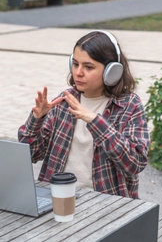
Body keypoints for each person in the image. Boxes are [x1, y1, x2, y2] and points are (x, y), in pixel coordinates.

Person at [18, 30, 150, 199]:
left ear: (112, 71)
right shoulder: (64, 101)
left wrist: (96, 122)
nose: (78, 72)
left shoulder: (129, 105)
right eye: (75, 64)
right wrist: (36, 120)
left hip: (106, 204)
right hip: (59, 198)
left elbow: (135, 163)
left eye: (88, 67)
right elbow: (32, 154)